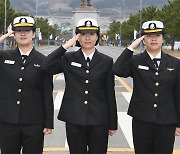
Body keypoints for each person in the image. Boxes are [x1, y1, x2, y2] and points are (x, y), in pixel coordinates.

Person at [41, 18, 117, 154]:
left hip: (99, 119)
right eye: (83, 34)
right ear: (77, 37)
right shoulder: (68, 58)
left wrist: (112, 123)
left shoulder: (106, 61)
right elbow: (45, 67)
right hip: (74, 117)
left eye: (92, 34)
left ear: (97, 37)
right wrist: (65, 47)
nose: (87, 37)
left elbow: (109, 93)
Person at [113, 20, 180, 154]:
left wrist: (178, 122)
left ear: (162, 39)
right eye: (149, 36)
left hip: (166, 121)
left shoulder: (175, 63)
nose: (153, 38)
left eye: (157, 35)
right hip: (141, 120)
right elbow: (117, 69)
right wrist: (131, 47)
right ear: (143, 40)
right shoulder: (135, 60)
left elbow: (178, 93)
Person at [0, 16, 54, 154]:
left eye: (27, 30)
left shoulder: (43, 61)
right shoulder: (4, 57)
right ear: (13, 33)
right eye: (18, 30)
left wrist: (48, 122)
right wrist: (3, 38)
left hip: (34, 123)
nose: (23, 34)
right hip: (7, 121)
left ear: (34, 34)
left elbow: (47, 93)